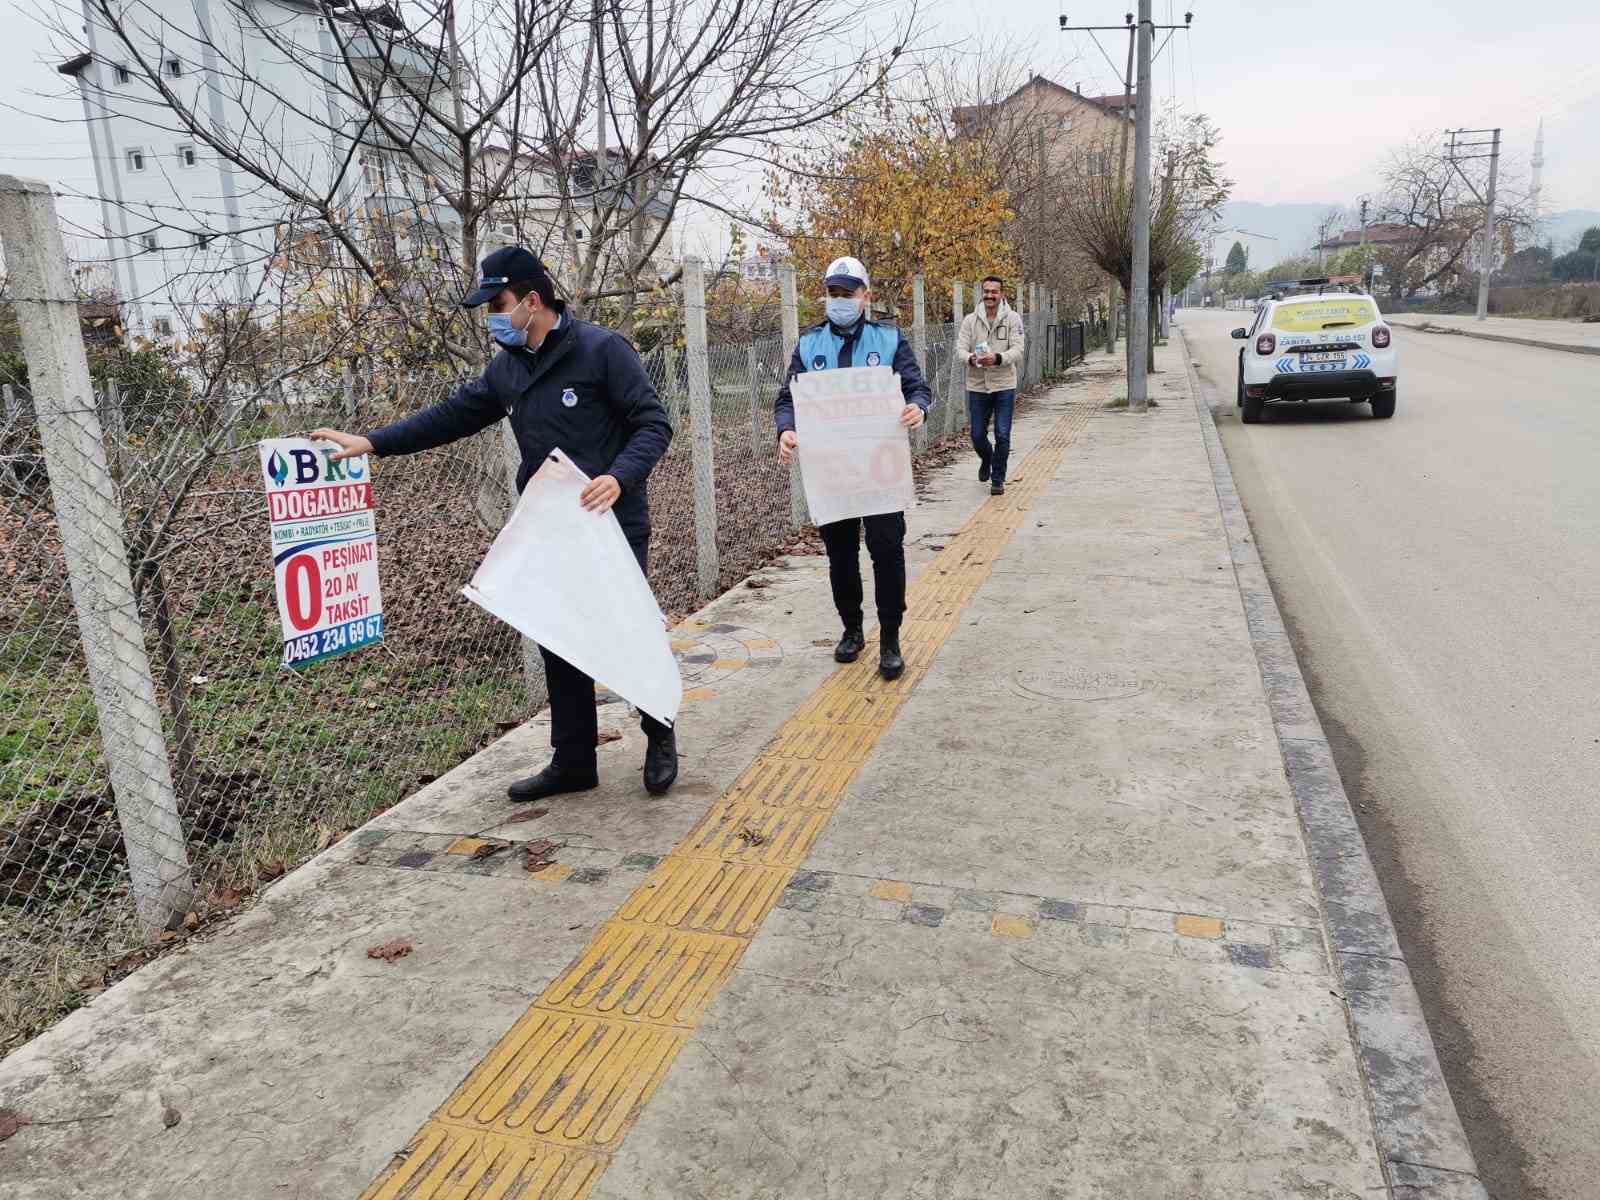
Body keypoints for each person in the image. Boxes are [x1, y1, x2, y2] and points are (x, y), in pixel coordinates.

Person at [311, 246, 678, 802]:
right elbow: (451, 417)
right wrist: (372, 443)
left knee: (627, 628)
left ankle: (659, 735)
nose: (492, 319)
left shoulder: (602, 351)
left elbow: (653, 423)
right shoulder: (508, 370)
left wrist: (621, 476)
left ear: (532, 300)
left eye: (498, 305)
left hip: (611, 520)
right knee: (560, 636)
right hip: (551, 526)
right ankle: (574, 759)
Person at [774, 256, 930, 680]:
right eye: (833, 293)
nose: (839, 301)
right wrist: (786, 430)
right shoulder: (809, 345)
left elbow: (916, 384)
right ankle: (852, 629)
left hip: (880, 469)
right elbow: (788, 398)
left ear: (866, 296)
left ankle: (892, 638)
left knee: (886, 552)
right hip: (834, 472)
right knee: (840, 556)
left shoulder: (890, 339)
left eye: (848, 293)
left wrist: (917, 405)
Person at [957, 275, 1025, 496]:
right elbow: (960, 349)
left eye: (994, 291)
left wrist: (997, 358)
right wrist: (971, 359)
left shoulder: (1013, 319)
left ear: (1001, 294)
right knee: (977, 435)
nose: (989, 295)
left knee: (1002, 434)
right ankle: (987, 458)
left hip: (1004, 383)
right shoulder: (970, 320)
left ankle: (998, 479)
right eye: (986, 291)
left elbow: (1018, 349)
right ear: (981, 293)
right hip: (977, 385)